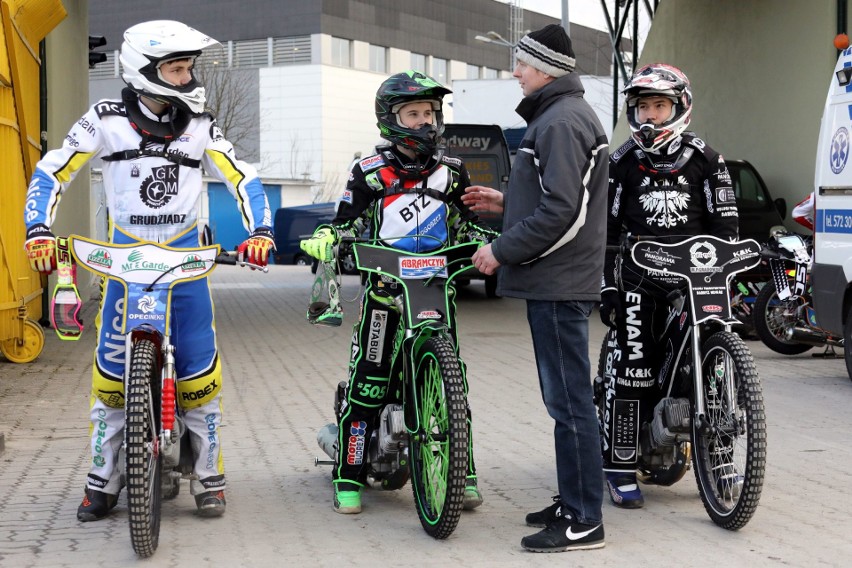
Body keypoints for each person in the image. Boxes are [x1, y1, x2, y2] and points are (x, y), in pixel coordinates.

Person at [23, 20, 274, 521]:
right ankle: (104, 476)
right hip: (125, 260)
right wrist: (37, 229)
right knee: (111, 378)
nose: (186, 77)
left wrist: (261, 231)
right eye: (176, 68)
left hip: (185, 261)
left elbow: (243, 177)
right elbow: (52, 170)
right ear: (144, 71)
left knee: (201, 373)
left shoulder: (201, 124)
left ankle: (209, 474)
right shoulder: (104, 118)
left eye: (187, 68)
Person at [299, 70, 498, 515]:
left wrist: (495, 243)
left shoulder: (453, 173)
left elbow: (469, 226)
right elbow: (345, 221)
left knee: (454, 384)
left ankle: (462, 474)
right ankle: (347, 475)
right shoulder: (370, 173)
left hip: (435, 292)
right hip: (386, 297)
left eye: (430, 113)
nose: (425, 122)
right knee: (368, 385)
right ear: (391, 119)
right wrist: (327, 237)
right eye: (414, 114)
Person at [466, 24, 609, 553]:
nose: (514, 72)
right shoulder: (558, 116)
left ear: (546, 68)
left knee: (569, 404)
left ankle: (583, 519)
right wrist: (507, 205)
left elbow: (564, 214)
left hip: (558, 282)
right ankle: (574, 497)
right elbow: (563, 200)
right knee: (566, 401)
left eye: (522, 63)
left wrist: (502, 249)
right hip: (557, 279)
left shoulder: (562, 121)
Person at [598, 63, 739, 509]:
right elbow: (606, 229)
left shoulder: (707, 159)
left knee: (713, 374)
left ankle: (719, 460)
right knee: (635, 369)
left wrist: (731, 270)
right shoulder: (621, 162)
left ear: (679, 106)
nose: (651, 117)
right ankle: (619, 465)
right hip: (639, 279)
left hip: (696, 282)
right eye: (643, 108)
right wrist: (608, 286)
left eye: (660, 106)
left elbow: (727, 227)